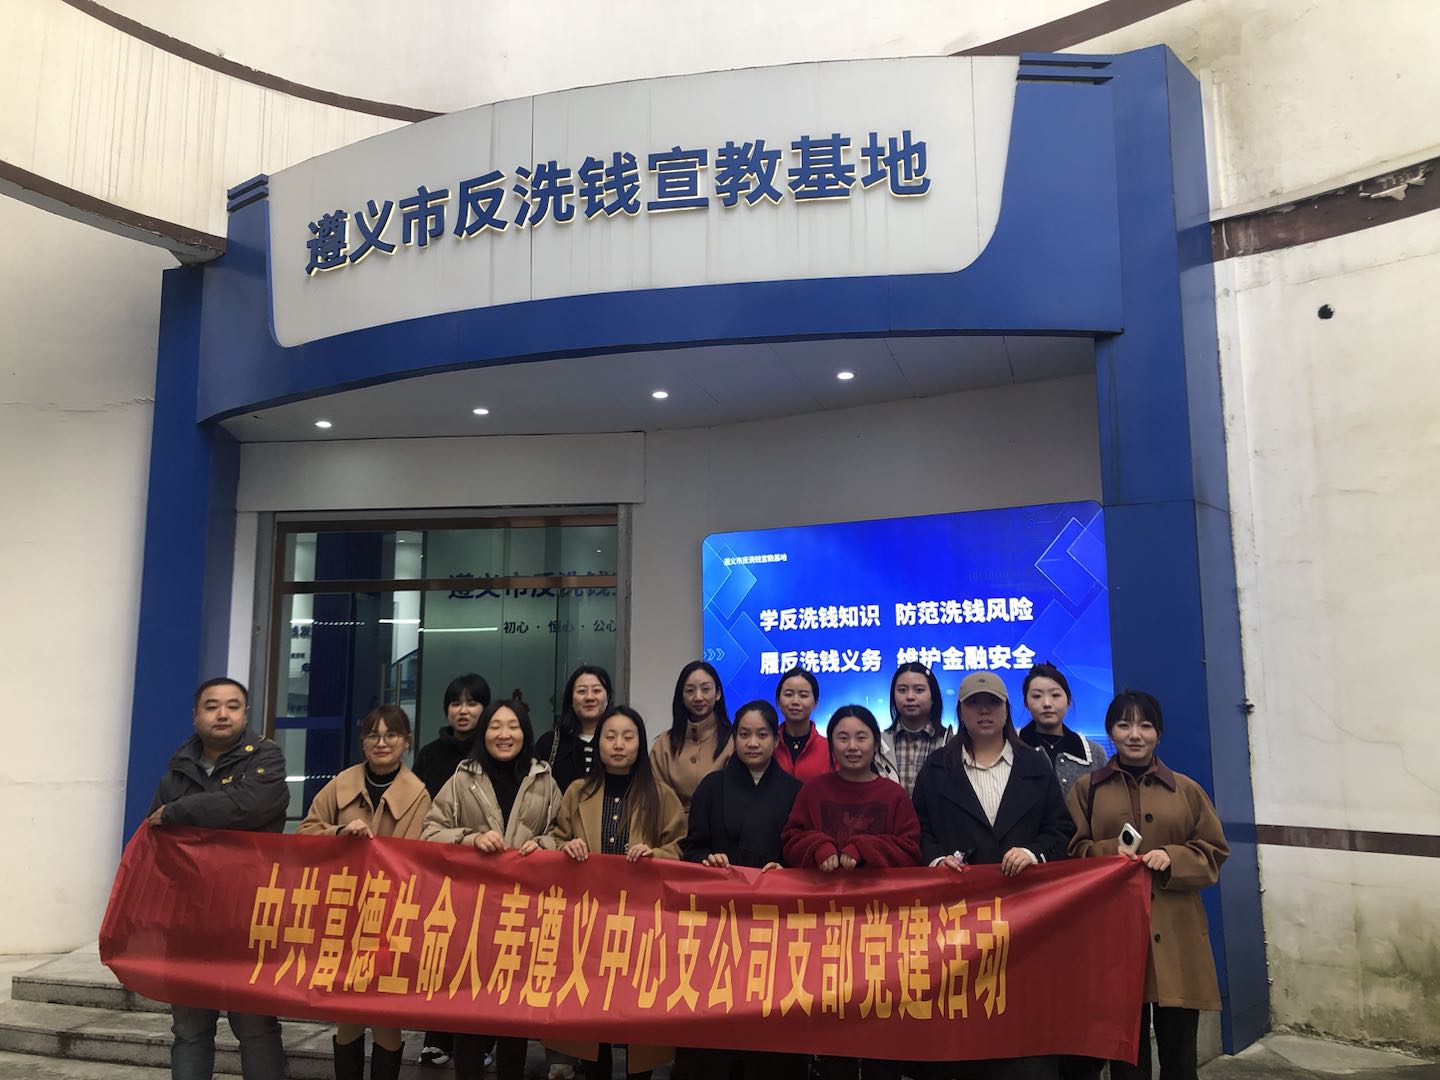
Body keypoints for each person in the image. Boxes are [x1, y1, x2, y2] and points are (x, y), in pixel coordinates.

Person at [911, 670, 1074, 1080]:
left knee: (1023, 1027)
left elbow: (1061, 831)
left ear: (1006, 710)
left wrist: (1034, 852)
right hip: (958, 921)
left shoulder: (1034, 765)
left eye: (993, 704)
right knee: (963, 1019)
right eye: (974, 704)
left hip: (1025, 919)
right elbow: (920, 831)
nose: (984, 712)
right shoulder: (937, 768)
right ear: (960, 711)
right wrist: (936, 861)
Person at [1067, 691, 1229, 1080]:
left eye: (1145, 725)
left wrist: (1174, 857)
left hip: (1177, 931)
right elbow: (1071, 854)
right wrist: (1110, 851)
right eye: (1124, 725)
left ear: (1159, 733)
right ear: (1111, 732)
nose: (1135, 734)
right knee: (1126, 1054)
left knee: (1180, 1053)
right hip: (1113, 933)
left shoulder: (1186, 790)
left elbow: (1214, 851)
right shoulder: (1087, 790)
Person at [533, 706, 686, 1080]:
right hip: (588, 922)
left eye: (628, 737)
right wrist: (564, 847)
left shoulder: (661, 795)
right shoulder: (577, 792)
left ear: (639, 744)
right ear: (598, 743)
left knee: (638, 1014)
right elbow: (554, 837)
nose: (619, 744)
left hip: (642, 924)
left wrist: (656, 854)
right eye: (610, 736)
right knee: (590, 1013)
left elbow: (681, 847)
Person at [146, 677, 288, 1080]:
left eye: (232, 706)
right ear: (196, 715)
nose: (222, 714)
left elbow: (249, 805)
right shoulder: (176, 772)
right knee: (189, 1030)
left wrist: (178, 812)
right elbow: (155, 838)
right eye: (211, 706)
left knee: (255, 1026)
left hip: (250, 917)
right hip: (188, 920)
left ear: (246, 713)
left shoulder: (266, 759)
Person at [423, 700, 563, 1080]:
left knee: (514, 1013)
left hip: (522, 913)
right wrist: (470, 839)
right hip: (472, 913)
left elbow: (561, 834)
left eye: (513, 726)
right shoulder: (462, 778)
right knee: (469, 1009)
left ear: (525, 733)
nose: (504, 734)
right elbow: (430, 833)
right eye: (495, 726)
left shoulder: (545, 781)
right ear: (483, 733)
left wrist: (543, 845)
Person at [781, 705, 919, 1080]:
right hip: (824, 931)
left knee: (880, 1023)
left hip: (880, 931)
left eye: (861, 737)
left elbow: (911, 850)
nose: (852, 746)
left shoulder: (893, 795)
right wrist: (819, 847)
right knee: (831, 1024)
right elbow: (790, 839)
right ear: (832, 744)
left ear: (876, 743)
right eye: (843, 738)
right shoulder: (814, 791)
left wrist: (863, 849)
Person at [297, 704, 430, 1080]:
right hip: (343, 913)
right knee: (348, 1012)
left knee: (385, 1013)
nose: (382, 742)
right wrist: (340, 833)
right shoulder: (342, 783)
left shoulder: (418, 794)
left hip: (390, 917)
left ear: (406, 742)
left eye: (391, 735)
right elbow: (306, 832)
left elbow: (418, 858)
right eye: (373, 735)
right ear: (362, 742)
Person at [681, 699, 803, 1080]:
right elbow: (692, 848)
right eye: (745, 734)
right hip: (718, 923)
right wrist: (707, 860)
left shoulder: (794, 790)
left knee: (768, 1017)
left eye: (762, 734)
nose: (753, 742)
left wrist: (785, 870)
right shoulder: (712, 786)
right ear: (733, 737)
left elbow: (801, 852)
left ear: (776, 739)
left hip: (773, 924)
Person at [412, 671, 491, 1069]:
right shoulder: (430, 755)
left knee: (484, 952)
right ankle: (437, 1035)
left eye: (472, 702)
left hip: (487, 866)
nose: (464, 710)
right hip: (442, 865)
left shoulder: (494, 751)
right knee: (441, 950)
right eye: (456, 703)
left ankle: (484, 1039)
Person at [649, 660, 733, 811]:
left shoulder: (734, 741)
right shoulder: (663, 745)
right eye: (690, 690)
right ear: (681, 696)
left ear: (718, 693)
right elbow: (656, 799)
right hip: (674, 825)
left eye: (705, 689)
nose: (698, 697)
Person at [1016, 662, 1107, 799]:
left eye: (1055, 695)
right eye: (1037, 696)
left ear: (1068, 701)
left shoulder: (1094, 754)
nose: (1047, 704)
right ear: (1026, 703)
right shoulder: (1011, 748)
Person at [876, 662, 953, 795]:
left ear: (933, 697)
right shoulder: (879, 744)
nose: (910, 697)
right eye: (902, 690)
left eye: (919, 690)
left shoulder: (950, 743)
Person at [534, 665, 613, 796]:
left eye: (597, 690)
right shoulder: (550, 743)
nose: (589, 697)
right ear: (570, 698)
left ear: (608, 697)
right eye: (582, 691)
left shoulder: (618, 744)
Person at [771, 667, 831, 781]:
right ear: (778, 701)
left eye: (803, 695)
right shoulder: (768, 745)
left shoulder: (830, 749)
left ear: (815, 703)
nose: (795, 701)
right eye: (788, 694)